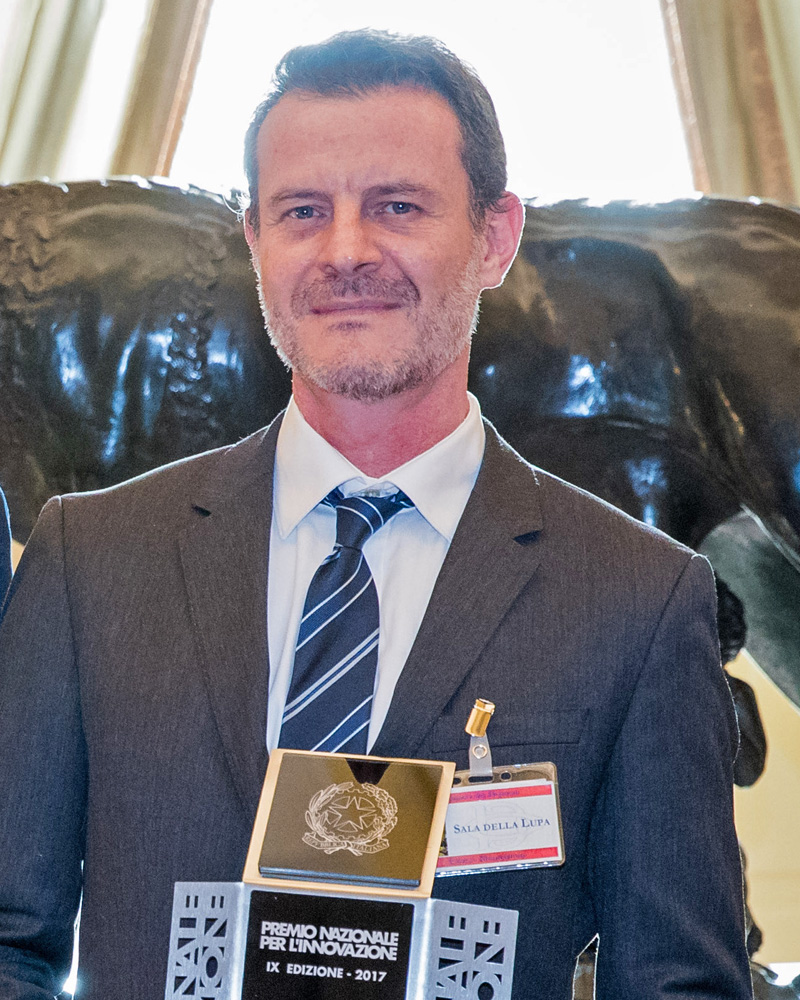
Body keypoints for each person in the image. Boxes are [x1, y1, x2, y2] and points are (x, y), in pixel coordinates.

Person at [0, 29, 752, 1000]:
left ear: (494, 237)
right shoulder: (89, 560)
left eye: (397, 206)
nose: (346, 251)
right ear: (254, 242)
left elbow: (679, 983)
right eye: (303, 211)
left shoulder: (639, 599)